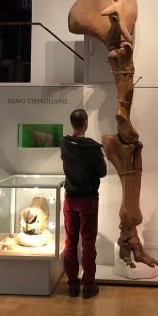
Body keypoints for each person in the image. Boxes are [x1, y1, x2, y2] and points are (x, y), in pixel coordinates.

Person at [60, 108, 107, 298]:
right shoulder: (92, 147)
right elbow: (102, 171)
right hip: (88, 199)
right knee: (88, 242)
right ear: (86, 123)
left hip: (70, 199)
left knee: (70, 241)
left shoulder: (64, 143)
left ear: (72, 123)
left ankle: (72, 285)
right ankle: (88, 286)